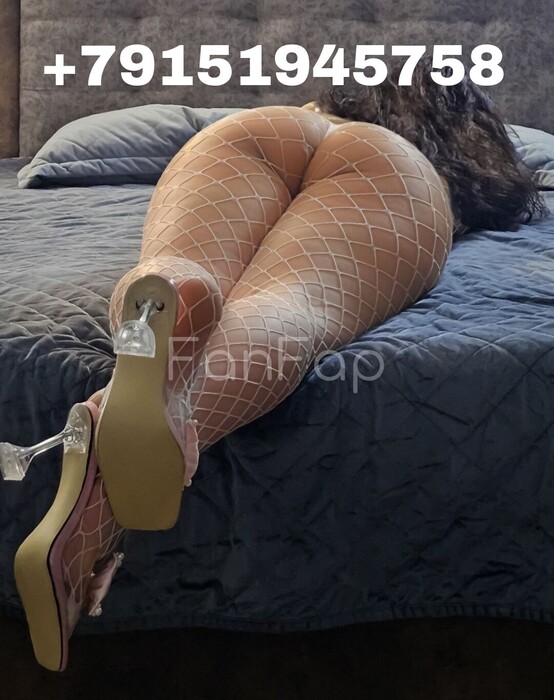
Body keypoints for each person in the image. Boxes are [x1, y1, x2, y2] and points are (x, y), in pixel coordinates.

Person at [1, 58, 546, 671]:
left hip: (252, 136)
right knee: (287, 307)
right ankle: (102, 513)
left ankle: (166, 307)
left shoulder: (295, 113)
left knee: (181, 265)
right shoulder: (431, 155)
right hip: (392, 170)